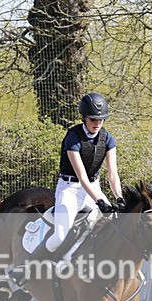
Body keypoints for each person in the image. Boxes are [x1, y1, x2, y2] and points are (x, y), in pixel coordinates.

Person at [38, 92, 125, 261]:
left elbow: (112, 175)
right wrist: (99, 202)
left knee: (114, 226)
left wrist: (119, 197)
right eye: (93, 119)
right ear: (84, 117)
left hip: (94, 188)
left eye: (101, 119)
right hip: (69, 189)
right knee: (60, 236)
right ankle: (30, 266)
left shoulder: (107, 138)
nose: (97, 123)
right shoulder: (73, 137)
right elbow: (82, 176)